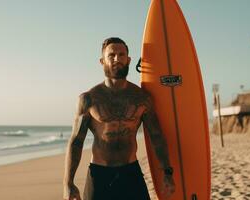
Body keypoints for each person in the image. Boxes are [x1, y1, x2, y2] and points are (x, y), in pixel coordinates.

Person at [63, 37, 175, 200]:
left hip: (131, 173)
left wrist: (167, 171)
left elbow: (156, 136)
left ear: (128, 59)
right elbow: (76, 141)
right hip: (99, 175)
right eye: (111, 55)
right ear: (102, 61)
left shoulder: (142, 99)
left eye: (122, 55)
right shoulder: (89, 99)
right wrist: (68, 183)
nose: (117, 59)